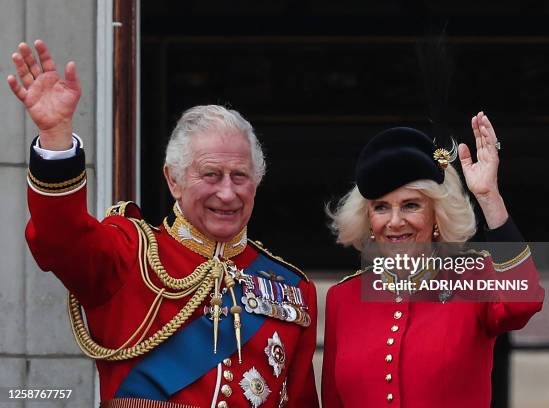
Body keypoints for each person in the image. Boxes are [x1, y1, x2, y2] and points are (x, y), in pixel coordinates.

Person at [9, 40, 319, 408]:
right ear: (173, 180)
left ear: (257, 183)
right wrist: (56, 137)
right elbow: (59, 238)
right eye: (211, 174)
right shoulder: (128, 254)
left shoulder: (291, 289)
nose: (227, 192)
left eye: (240, 176)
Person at [322, 117, 544, 407]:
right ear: (367, 219)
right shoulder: (343, 298)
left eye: (411, 205)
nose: (395, 221)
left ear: (436, 215)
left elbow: (523, 300)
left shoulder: (472, 280)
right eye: (381, 208)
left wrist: (489, 198)